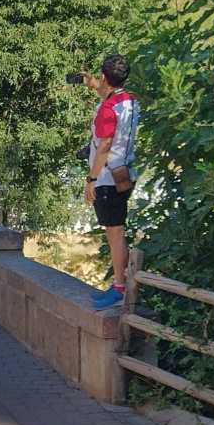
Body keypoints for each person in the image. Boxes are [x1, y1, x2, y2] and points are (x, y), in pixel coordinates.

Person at [81, 53, 140, 309]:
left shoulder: (107, 109)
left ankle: (119, 288)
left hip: (107, 177)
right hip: (124, 172)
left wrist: (91, 178)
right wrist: (97, 86)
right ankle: (119, 283)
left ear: (105, 76)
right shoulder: (129, 100)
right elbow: (112, 101)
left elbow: (104, 144)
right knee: (116, 231)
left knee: (114, 233)